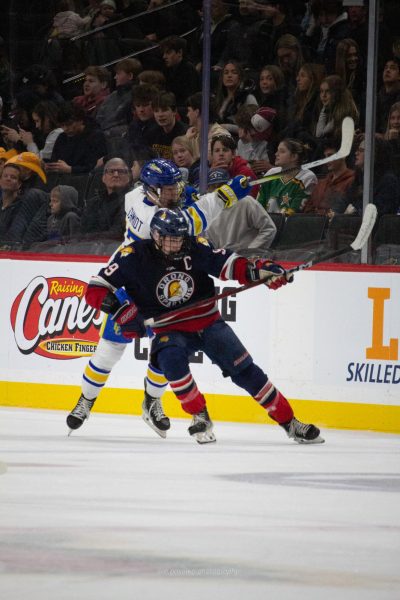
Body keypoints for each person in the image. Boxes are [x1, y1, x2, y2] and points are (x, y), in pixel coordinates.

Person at [84, 207, 324, 445]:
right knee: (171, 362)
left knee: (248, 374)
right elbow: (96, 287)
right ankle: (199, 414)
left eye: (178, 239)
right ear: (156, 236)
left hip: (208, 322)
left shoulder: (196, 246)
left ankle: (291, 422)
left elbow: (233, 265)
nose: (175, 245)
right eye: (169, 240)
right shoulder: (133, 255)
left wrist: (262, 271)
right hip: (169, 328)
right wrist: (120, 310)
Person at [66, 159, 253, 439]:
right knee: (109, 350)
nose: (173, 193)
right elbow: (189, 223)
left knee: (164, 351)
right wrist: (225, 195)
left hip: (163, 286)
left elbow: (180, 208)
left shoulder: (154, 196)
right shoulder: (141, 208)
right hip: (132, 285)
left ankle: (152, 402)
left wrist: (187, 195)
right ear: (151, 191)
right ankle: (86, 400)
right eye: (167, 189)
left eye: (174, 187)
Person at [204, 167, 277, 256]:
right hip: (223, 261)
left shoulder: (246, 201)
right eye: (213, 187)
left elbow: (269, 229)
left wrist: (250, 251)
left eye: (221, 185)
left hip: (250, 260)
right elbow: (209, 243)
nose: (217, 190)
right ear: (208, 190)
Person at [257, 138, 318, 214]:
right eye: (277, 150)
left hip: (288, 224)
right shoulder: (271, 173)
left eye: (282, 151)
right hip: (265, 223)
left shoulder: (307, 177)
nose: (276, 154)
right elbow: (259, 205)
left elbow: (294, 212)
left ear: (294, 157)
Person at [47, 102, 108, 174]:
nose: (65, 129)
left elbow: (96, 167)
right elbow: (55, 161)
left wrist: (71, 169)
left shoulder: (96, 136)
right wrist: (49, 166)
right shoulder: (62, 137)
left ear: (80, 120)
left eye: (69, 124)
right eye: (62, 125)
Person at [80, 157, 132, 237]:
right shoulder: (93, 203)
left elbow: (118, 233)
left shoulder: (133, 201)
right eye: (111, 171)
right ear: (103, 178)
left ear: (128, 177)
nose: (116, 175)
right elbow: (82, 231)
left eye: (121, 171)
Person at [303, 139, 355, 215]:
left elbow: (342, 212)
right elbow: (307, 210)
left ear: (343, 156)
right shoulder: (321, 183)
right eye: (325, 156)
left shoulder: (353, 180)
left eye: (330, 155)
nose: (327, 160)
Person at [214, 60, 258, 129]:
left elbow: (254, 127)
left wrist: (226, 127)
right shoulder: (219, 100)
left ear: (240, 78)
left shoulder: (248, 98)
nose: (229, 75)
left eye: (234, 72)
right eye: (226, 73)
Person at [159, 35, 200, 108]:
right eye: (164, 53)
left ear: (180, 52)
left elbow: (189, 98)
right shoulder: (166, 69)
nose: (164, 56)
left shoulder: (189, 70)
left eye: (168, 53)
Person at [146, 91, 188, 159]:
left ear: (174, 111)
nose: (160, 115)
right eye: (156, 111)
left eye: (164, 110)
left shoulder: (185, 133)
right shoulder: (150, 133)